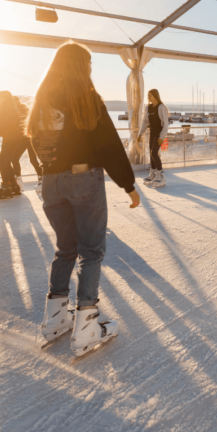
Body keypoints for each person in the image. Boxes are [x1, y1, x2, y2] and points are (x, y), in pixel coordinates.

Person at [27, 42, 139, 357]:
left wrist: (53, 168)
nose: (90, 69)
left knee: (65, 248)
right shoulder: (86, 98)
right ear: (80, 66)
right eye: (88, 63)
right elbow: (108, 144)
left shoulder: (41, 101)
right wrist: (128, 184)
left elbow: (36, 141)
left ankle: (55, 317)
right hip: (82, 179)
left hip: (51, 181)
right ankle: (87, 321)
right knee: (91, 251)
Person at [139, 88, 170, 188]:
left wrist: (162, 137)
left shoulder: (162, 107)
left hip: (159, 134)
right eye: (148, 96)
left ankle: (161, 176)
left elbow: (165, 124)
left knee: (154, 153)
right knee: (151, 153)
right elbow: (144, 122)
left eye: (150, 96)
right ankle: (152, 174)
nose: (148, 98)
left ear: (155, 96)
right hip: (152, 133)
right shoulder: (148, 108)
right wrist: (140, 134)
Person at [13, 96, 43, 196]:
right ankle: (18, 179)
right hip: (22, 139)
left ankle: (41, 178)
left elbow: (26, 123)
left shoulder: (22, 109)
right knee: (14, 157)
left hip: (29, 137)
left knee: (33, 159)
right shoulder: (15, 110)